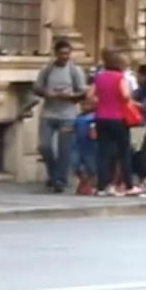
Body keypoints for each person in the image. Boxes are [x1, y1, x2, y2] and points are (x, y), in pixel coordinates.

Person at [34, 38, 89, 193]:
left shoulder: (75, 70)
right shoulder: (47, 69)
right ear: (56, 53)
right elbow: (37, 88)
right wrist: (47, 93)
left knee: (64, 149)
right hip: (48, 113)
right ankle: (53, 173)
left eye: (67, 53)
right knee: (44, 146)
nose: (64, 56)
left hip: (68, 115)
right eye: (61, 53)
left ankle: (60, 180)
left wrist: (70, 96)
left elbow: (83, 93)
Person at [92, 49, 141, 195]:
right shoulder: (120, 77)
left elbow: (90, 94)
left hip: (101, 117)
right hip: (118, 118)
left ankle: (102, 186)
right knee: (124, 152)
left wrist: (101, 100)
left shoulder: (99, 77)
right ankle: (128, 185)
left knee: (103, 153)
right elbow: (125, 95)